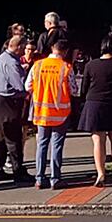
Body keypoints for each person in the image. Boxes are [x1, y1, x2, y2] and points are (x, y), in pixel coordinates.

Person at [78, 35, 112, 186]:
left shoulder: (91, 65)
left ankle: (101, 173)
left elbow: (84, 88)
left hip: (95, 104)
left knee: (98, 141)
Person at [26, 39, 72, 190]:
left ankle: (39, 178)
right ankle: (55, 178)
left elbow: (27, 86)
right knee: (57, 146)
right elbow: (74, 88)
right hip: (60, 114)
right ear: (65, 51)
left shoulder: (37, 65)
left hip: (41, 112)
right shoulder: (66, 68)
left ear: (53, 48)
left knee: (42, 145)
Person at [0, 35, 32, 184]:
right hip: (7, 101)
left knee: (0, 137)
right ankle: (18, 170)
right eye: (24, 47)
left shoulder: (0, 59)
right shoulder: (12, 63)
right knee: (13, 137)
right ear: (18, 47)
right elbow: (21, 84)